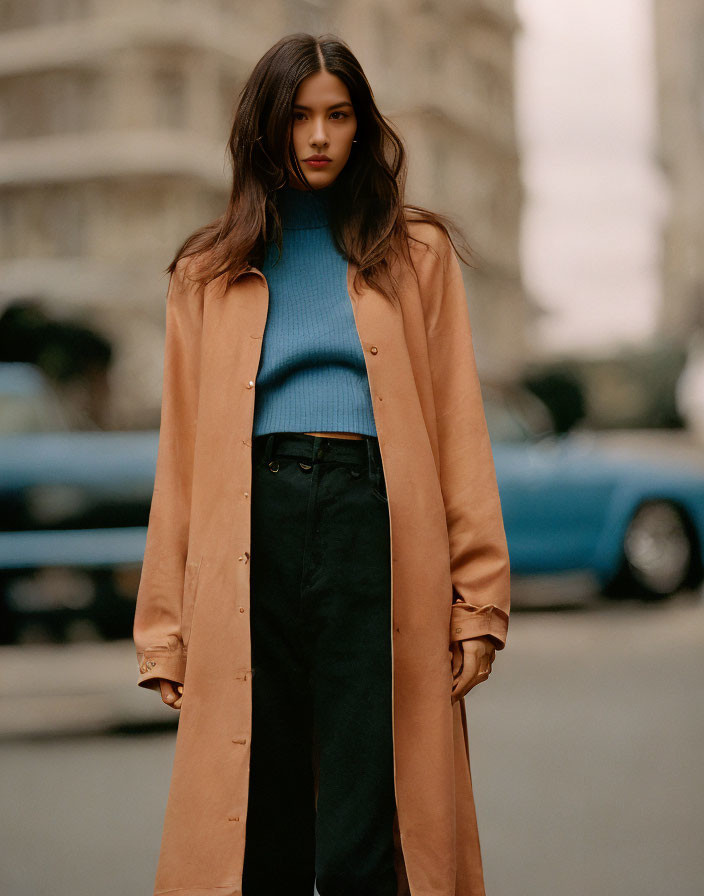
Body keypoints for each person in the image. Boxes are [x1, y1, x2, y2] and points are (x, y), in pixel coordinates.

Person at [133, 32, 510, 896]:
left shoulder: (415, 253)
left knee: (367, 811)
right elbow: (182, 458)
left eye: (339, 115)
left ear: (362, 127)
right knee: (255, 817)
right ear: (265, 128)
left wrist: (479, 599)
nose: (319, 136)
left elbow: (459, 427)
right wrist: (165, 628)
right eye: (299, 116)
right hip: (248, 533)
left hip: (367, 525)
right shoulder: (205, 271)